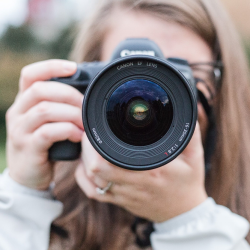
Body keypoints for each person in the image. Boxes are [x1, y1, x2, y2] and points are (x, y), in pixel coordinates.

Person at [1, 0, 250, 249]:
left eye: (180, 72)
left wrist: (187, 217)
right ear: (88, 90)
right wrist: (24, 197)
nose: (151, 94)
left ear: (222, 85)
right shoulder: (50, 208)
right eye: (124, 76)